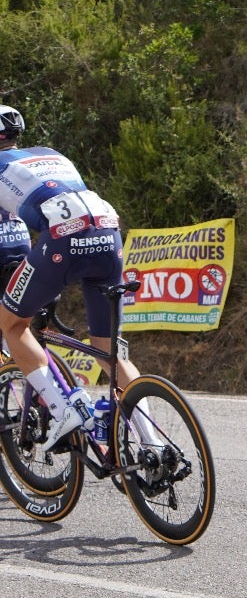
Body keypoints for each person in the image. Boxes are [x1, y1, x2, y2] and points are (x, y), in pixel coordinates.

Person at [0, 105, 144, 447]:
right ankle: (151, 442)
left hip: (63, 242)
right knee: (109, 352)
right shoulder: (50, 155)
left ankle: (61, 407)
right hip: (109, 233)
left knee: (11, 324)